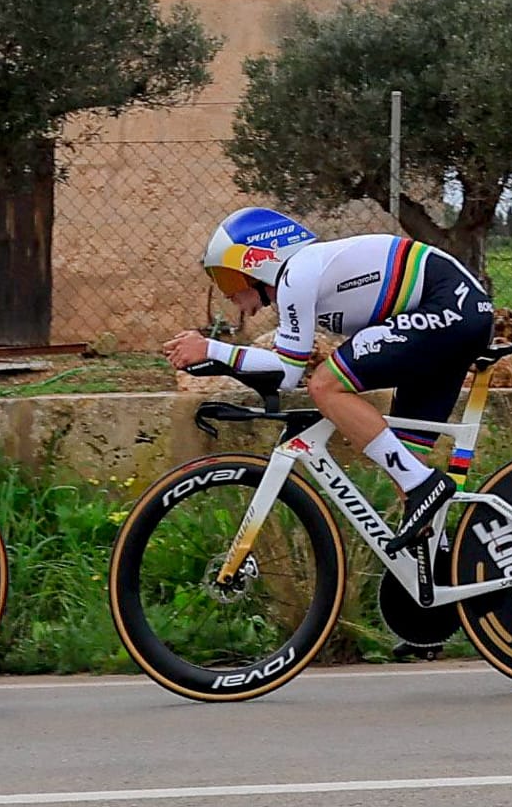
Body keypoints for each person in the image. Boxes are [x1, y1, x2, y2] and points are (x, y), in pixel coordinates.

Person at [163, 207, 494, 559]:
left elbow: (288, 373)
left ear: (258, 262)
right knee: (405, 459)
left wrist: (211, 348)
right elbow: (280, 369)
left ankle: (423, 484)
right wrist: (219, 360)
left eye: (229, 280)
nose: (229, 294)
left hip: (446, 307)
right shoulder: (306, 274)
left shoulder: (296, 274)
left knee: (326, 386)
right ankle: (441, 571)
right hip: (455, 314)